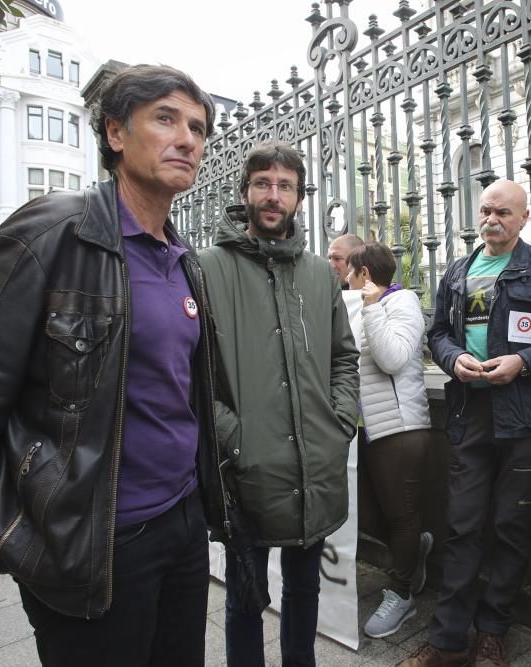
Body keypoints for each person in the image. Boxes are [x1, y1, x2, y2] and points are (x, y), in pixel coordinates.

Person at [0, 64, 227, 667]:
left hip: (182, 525)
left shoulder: (183, 260)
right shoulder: (51, 233)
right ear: (114, 133)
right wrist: (11, 537)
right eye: (165, 118)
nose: (188, 138)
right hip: (92, 542)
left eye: (198, 126)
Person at [400, 179, 531, 667]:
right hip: (470, 412)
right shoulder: (458, 272)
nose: (491, 220)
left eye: (503, 212)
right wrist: (453, 358)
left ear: (524, 218)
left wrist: (523, 364)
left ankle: (493, 632)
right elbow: (436, 332)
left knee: (511, 525)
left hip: (526, 416)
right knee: (461, 527)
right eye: (485, 210)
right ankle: (447, 640)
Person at [199, 141, 359, 667]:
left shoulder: (319, 273)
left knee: (304, 589)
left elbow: (343, 356)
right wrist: (234, 439)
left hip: (316, 462)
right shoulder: (207, 268)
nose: (273, 196)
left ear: (298, 196)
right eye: (263, 184)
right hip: (247, 469)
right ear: (244, 193)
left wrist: (340, 421)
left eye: (284, 186)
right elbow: (192, 373)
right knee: (245, 597)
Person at [343, 242, 433, 639]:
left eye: (350, 272)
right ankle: (414, 550)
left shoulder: (403, 302)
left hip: (399, 427)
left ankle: (402, 592)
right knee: (370, 513)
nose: (345, 278)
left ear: (364, 274)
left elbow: (393, 359)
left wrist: (373, 307)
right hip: (364, 428)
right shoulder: (362, 306)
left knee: (401, 515)